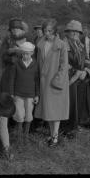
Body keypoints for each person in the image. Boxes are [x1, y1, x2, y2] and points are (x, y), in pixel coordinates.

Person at [34, 19, 69, 147]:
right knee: (48, 110)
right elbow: (38, 65)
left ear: (54, 31)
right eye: (45, 31)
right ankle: (52, 134)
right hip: (44, 82)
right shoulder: (40, 44)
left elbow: (64, 65)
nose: (47, 33)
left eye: (49, 31)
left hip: (56, 82)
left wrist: (58, 80)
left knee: (56, 110)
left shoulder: (62, 45)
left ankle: (55, 137)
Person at [8, 42, 40, 145]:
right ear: (21, 53)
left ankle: (26, 135)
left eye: (28, 53)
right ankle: (19, 136)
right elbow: (12, 79)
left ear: (32, 53)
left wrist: (37, 95)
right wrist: (11, 93)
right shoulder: (16, 64)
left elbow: (37, 80)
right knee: (19, 113)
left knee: (28, 114)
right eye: (23, 53)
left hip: (30, 94)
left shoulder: (35, 64)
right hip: (18, 94)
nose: (25, 55)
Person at [62, 20, 87, 138]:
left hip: (79, 77)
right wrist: (76, 71)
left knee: (77, 102)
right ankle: (66, 129)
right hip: (68, 77)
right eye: (72, 31)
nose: (75, 33)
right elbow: (63, 62)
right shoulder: (64, 44)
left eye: (77, 31)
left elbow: (84, 59)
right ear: (67, 32)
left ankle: (74, 125)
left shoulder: (80, 44)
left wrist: (84, 70)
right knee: (69, 103)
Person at [0, 17, 28, 94]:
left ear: (22, 30)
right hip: (9, 74)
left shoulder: (28, 40)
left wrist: (19, 52)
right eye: (13, 29)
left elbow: (33, 58)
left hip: (25, 74)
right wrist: (10, 58)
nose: (15, 31)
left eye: (17, 29)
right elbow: (2, 56)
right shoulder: (7, 41)